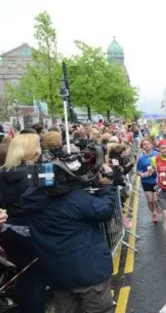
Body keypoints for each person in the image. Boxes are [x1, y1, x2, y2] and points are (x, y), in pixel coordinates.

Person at [20, 146, 118, 313]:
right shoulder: (75, 199)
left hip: (58, 275)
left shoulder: (30, 200)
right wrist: (108, 187)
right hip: (89, 272)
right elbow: (104, 210)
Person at [0, 134, 48, 313]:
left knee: (21, 275)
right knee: (37, 278)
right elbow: (51, 202)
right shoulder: (41, 170)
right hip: (36, 229)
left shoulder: (1, 172)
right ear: (33, 149)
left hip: (7, 230)